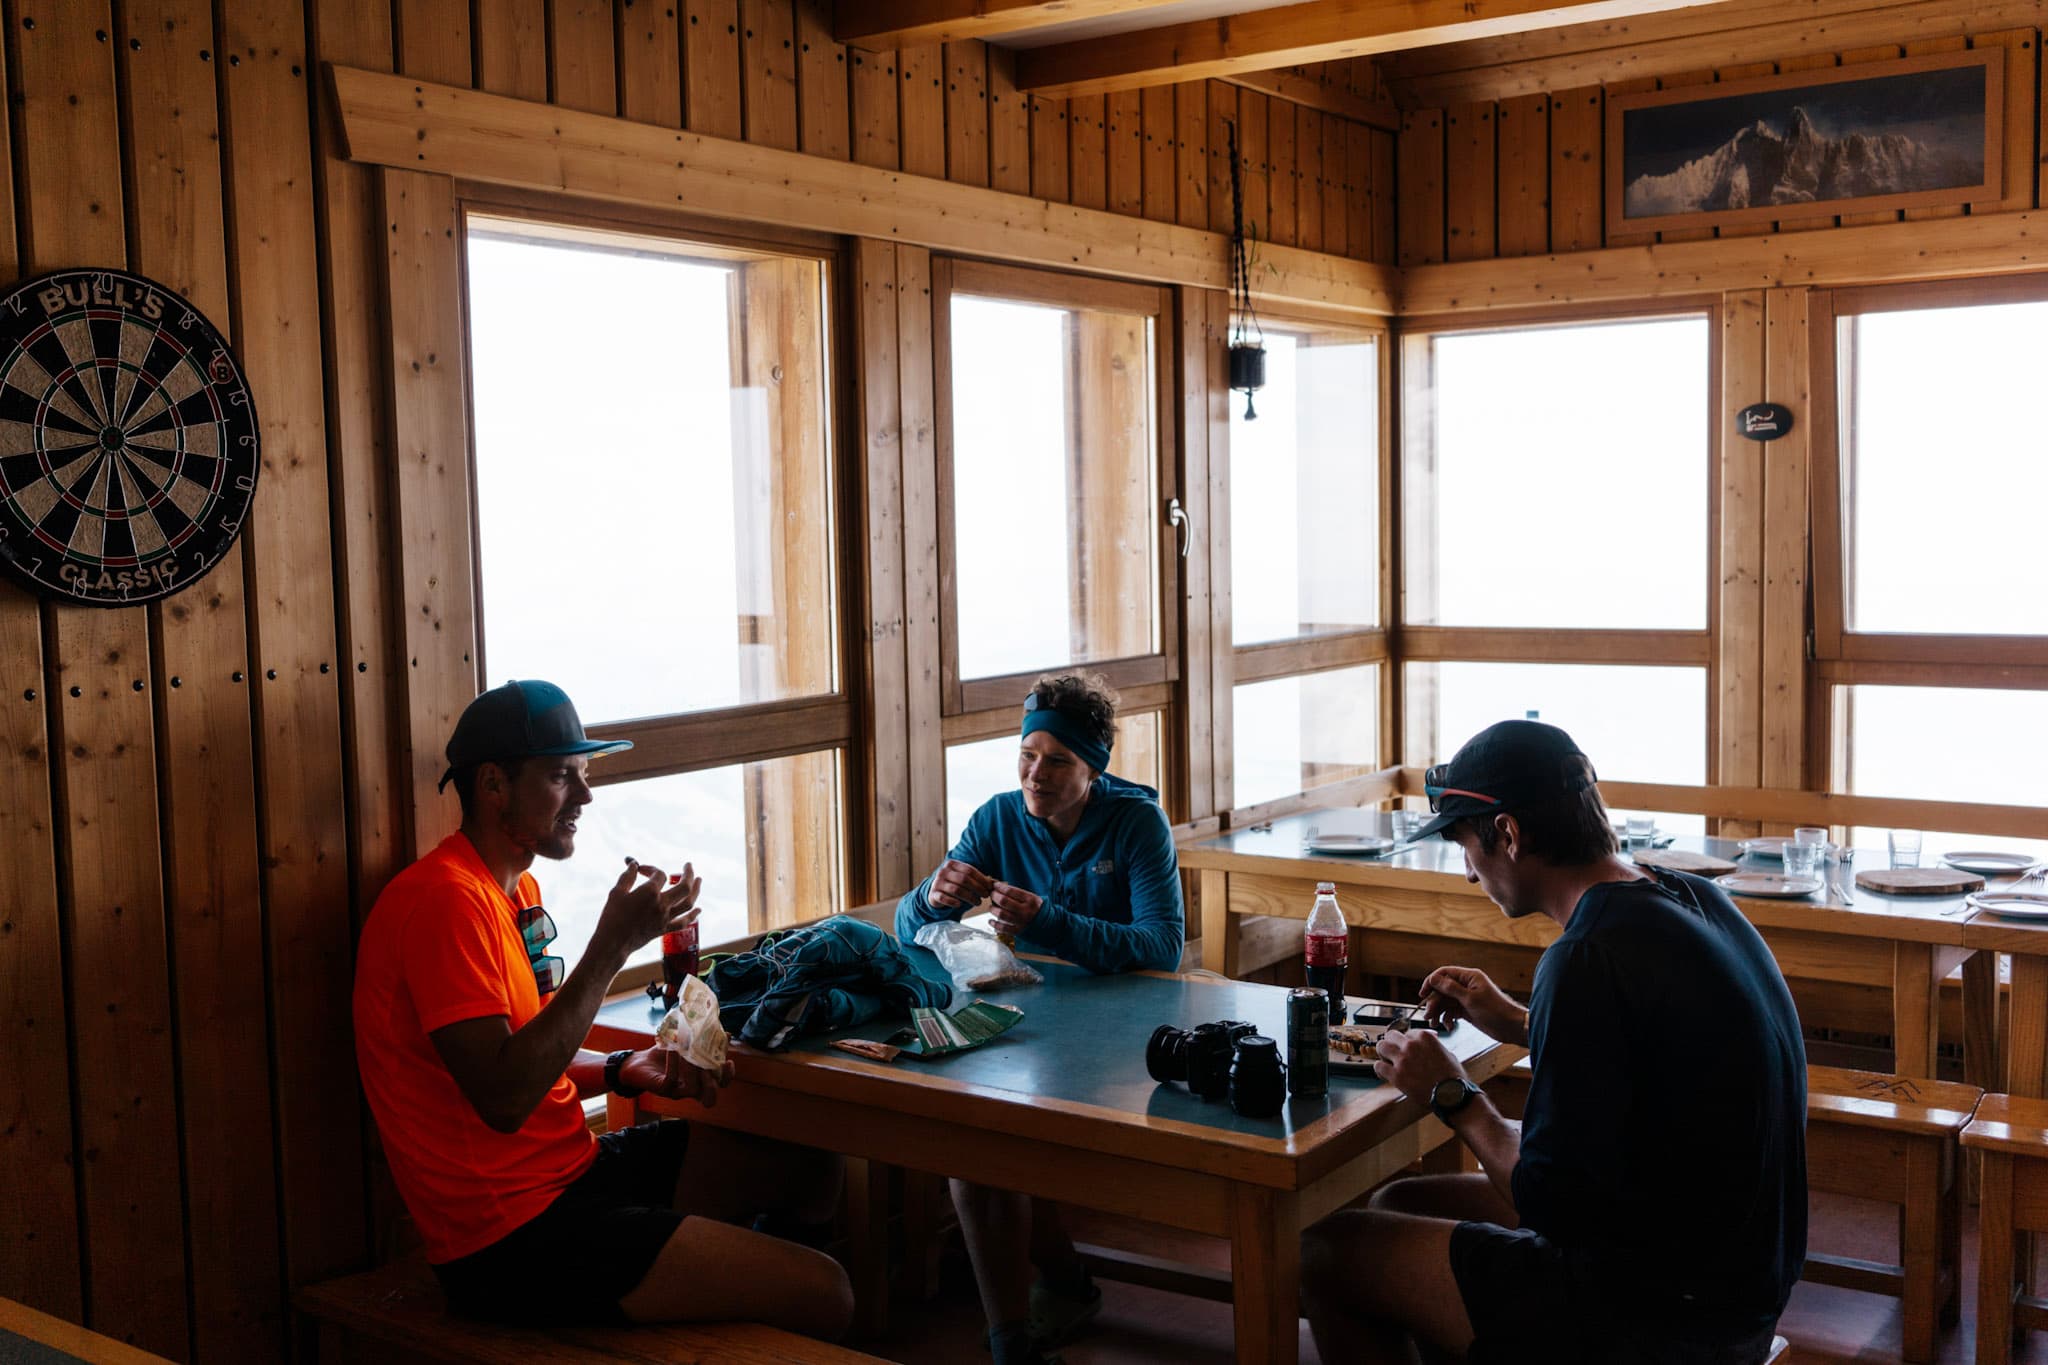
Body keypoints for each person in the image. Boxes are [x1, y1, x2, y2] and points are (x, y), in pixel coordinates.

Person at [353, 679, 853, 1338]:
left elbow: (534, 1048)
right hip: (506, 1236)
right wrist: (612, 946)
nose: (586, 797)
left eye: (584, 775)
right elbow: (503, 1096)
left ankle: (739, 1312)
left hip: (574, 1174)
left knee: (809, 1167)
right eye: (563, 776)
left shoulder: (513, 887)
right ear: (493, 783)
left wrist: (621, 1067)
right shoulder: (443, 902)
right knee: (828, 1291)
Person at [1301, 719, 1805, 1365]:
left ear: (1508, 834)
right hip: (1739, 1276)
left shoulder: (1586, 955)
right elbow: (1647, 1045)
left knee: (1327, 1250)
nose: (1468, 873)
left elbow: (1553, 1201)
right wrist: (1511, 1017)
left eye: (1464, 844)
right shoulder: (1693, 896)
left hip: (1665, 1318)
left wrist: (1452, 1093)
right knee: (1403, 1199)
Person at [896, 672, 1185, 1365]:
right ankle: (1012, 1341)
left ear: (1094, 768)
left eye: (1059, 760)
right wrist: (933, 897)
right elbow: (910, 928)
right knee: (975, 1145)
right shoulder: (998, 818)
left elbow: (1163, 947)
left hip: (1127, 1036)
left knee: (1003, 1145)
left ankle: (1059, 1283)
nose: (1036, 773)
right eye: (1028, 754)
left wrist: (1052, 921)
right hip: (1029, 1028)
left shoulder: (1135, 822)